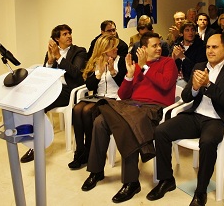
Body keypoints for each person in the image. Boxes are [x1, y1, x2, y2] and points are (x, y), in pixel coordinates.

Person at [148, 34, 224, 205]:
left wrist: (208, 85)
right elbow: (186, 97)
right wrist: (194, 87)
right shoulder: (199, 66)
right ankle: (166, 180)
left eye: (214, 47)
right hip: (195, 115)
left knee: (207, 142)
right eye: (208, 47)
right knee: (161, 131)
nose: (210, 51)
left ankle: (201, 191)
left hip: (216, 120)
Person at [81, 32, 178, 203]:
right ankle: (96, 171)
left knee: (126, 124)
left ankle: (131, 182)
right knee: (99, 122)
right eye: (154, 45)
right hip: (130, 106)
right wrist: (130, 76)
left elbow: (165, 85)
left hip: (153, 108)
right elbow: (123, 94)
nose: (159, 48)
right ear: (144, 49)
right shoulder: (136, 66)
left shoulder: (168, 62)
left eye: (159, 45)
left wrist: (145, 68)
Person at [21, 24, 87, 163]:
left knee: (39, 103)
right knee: (35, 103)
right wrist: (50, 62)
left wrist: (59, 57)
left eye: (69, 33)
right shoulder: (50, 53)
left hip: (70, 90)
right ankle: (37, 142)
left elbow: (76, 73)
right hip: (54, 89)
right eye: (64, 34)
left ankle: (36, 144)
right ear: (57, 39)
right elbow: (45, 75)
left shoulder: (79, 51)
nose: (69, 36)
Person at [68, 35, 127, 169]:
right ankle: (80, 151)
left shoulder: (121, 61)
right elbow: (89, 86)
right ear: (104, 49)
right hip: (98, 97)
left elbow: (124, 86)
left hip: (114, 98)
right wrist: (98, 73)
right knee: (77, 109)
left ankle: (89, 151)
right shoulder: (95, 62)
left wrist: (113, 72)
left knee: (87, 110)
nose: (116, 49)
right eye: (113, 47)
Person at [171, 21, 207, 87]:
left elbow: (197, 69)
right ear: (182, 33)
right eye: (187, 30)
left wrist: (183, 57)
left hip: (189, 80)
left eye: (192, 30)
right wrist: (173, 58)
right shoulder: (177, 44)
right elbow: (168, 66)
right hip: (174, 78)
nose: (190, 33)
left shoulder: (201, 46)